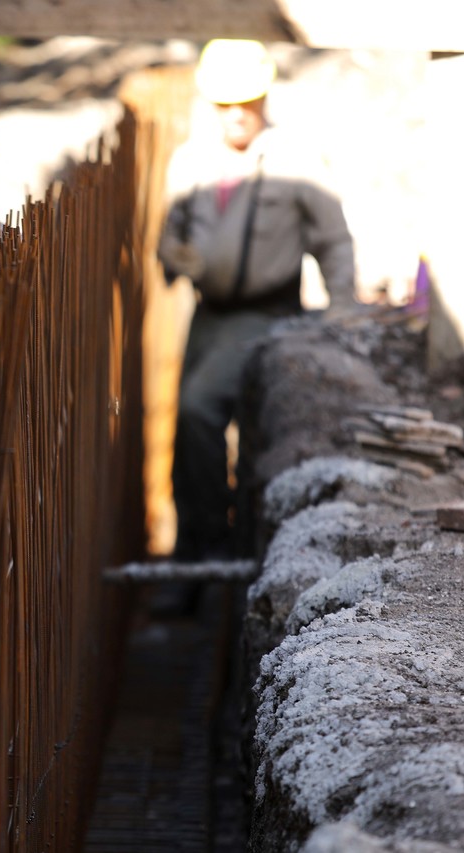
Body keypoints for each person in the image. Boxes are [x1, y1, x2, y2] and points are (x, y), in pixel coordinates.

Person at [158, 39, 358, 561]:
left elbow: (333, 239)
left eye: (245, 102)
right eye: (225, 104)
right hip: (210, 315)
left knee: (203, 413)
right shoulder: (192, 160)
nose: (236, 115)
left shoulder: (294, 159)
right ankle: (195, 547)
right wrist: (175, 255)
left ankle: (230, 544)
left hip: (267, 314)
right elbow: (167, 233)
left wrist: (343, 309)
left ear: (264, 98)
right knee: (186, 431)